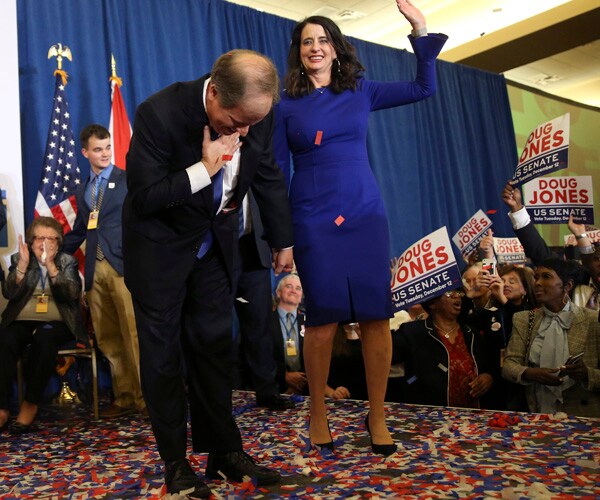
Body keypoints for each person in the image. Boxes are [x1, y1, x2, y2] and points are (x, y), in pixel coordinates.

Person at [273, 0, 447, 456]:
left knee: (375, 316)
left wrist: (420, 29)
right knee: (323, 319)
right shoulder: (284, 105)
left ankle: (378, 413)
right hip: (313, 217)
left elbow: (423, 88)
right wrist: (282, 238)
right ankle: (317, 412)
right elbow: (275, 172)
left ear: (336, 48)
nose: (315, 47)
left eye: (322, 40)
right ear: (298, 51)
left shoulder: (360, 91)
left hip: (364, 214)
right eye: (307, 41)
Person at [122, 50, 293, 498]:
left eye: (252, 124)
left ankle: (223, 453)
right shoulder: (159, 113)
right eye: (236, 122)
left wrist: (282, 239)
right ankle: (176, 464)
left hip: (215, 247)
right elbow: (143, 198)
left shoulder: (254, 113)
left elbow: (267, 172)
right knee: (164, 360)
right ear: (214, 93)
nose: (244, 132)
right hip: (159, 253)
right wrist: (203, 169)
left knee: (215, 349)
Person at [62, 124, 145, 418]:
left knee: (133, 333)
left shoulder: (127, 180)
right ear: (85, 152)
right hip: (95, 271)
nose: (105, 154)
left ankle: (146, 398)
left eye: (108, 147)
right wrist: (53, 251)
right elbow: (81, 230)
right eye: (98, 149)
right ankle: (124, 396)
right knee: (108, 337)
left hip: (123, 266)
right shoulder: (83, 188)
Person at [0, 217, 88, 434]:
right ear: (31, 241)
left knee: (44, 337)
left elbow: (72, 294)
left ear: (59, 242)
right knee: (5, 338)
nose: (45, 243)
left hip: (57, 322)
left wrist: (51, 267)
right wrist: (21, 267)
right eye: (40, 238)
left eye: (51, 238)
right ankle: (2, 407)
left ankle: (30, 403)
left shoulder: (67, 261)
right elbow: (9, 292)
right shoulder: (20, 258)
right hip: (22, 320)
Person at [502, 258, 600, 417]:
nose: (538, 283)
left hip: (583, 415)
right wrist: (530, 373)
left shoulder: (592, 321)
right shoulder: (524, 319)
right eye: (536, 277)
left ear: (567, 286)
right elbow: (509, 365)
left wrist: (586, 374)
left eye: (546, 277)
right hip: (538, 411)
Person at [233, 191, 294, 410]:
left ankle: (268, 391)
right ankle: (211, 393)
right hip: (212, 250)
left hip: (254, 248)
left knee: (260, 324)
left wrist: (281, 243)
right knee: (211, 327)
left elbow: (270, 194)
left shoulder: (256, 164)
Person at [501, 181, 598, 310]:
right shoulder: (579, 280)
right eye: (597, 259)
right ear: (567, 285)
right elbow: (539, 252)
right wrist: (517, 209)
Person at [394, 289, 494, 408]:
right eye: (449, 293)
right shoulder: (412, 332)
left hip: (470, 414)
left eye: (459, 293)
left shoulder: (472, 334)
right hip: (427, 414)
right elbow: (386, 356)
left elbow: (489, 366)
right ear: (432, 303)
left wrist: (488, 377)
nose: (457, 296)